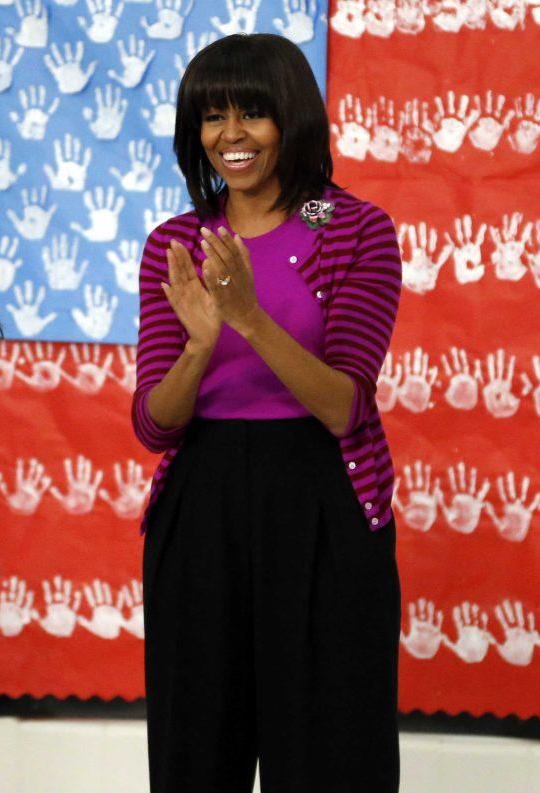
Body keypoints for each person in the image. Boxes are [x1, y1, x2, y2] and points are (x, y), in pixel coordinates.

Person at [132, 34, 403, 792]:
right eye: (213, 116)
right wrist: (200, 346)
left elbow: (346, 405)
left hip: (322, 499)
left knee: (329, 751)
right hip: (201, 505)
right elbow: (155, 425)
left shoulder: (349, 227)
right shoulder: (177, 243)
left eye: (252, 113)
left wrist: (249, 319)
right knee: (196, 749)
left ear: (293, 116)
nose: (231, 135)